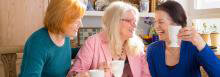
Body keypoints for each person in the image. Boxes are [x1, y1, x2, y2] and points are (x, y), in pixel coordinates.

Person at [67, 1, 151, 77]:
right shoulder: (93, 43)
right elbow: (74, 73)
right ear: (114, 22)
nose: (134, 25)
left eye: (135, 21)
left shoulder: (137, 47)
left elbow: (146, 75)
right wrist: (94, 73)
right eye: (129, 21)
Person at [147, 1, 220, 77]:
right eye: (155, 22)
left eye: (161, 22)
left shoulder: (193, 47)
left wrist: (201, 44)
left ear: (177, 24)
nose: (156, 26)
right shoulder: (152, 50)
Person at [19, 0, 85, 77]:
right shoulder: (38, 43)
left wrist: (90, 47)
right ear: (60, 18)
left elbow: (63, 55)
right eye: (76, 19)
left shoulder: (64, 36)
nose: (81, 25)